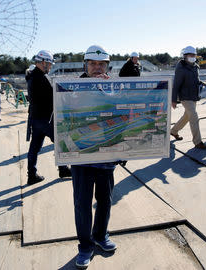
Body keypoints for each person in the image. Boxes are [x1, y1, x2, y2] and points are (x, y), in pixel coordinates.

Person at [71, 45, 118, 269]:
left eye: (102, 64)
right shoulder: (71, 89)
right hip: (82, 158)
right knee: (82, 203)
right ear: (85, 65)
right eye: (93, 64)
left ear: (107, 66)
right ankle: (85, 246)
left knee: (106, 200)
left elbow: (122, 115)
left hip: (106, 157)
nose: (97, 68)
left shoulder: (115, 87)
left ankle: (100, 235)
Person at [26, 50, 71, 185]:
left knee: (34, 148)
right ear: (43, 62)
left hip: (35, 118)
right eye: (50, 64)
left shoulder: (31, 76)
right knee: (60, 142)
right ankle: (63, 169)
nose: (50, 67)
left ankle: (31, 174)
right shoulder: (40, 78)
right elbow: (53, 96)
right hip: (45, 120)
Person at [170, 46, 206, 149]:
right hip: (185, 97)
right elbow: (176, 84)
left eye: (194, 55)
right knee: (194, 117)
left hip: (194, 96)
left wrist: (203, 83)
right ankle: (197, 142)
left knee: (187, 117)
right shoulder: (181, 68)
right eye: (190, 55)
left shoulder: (195, 66)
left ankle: (173, 131)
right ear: (185, 56)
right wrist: (173, 100)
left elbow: (196, 80)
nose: (193, 57)